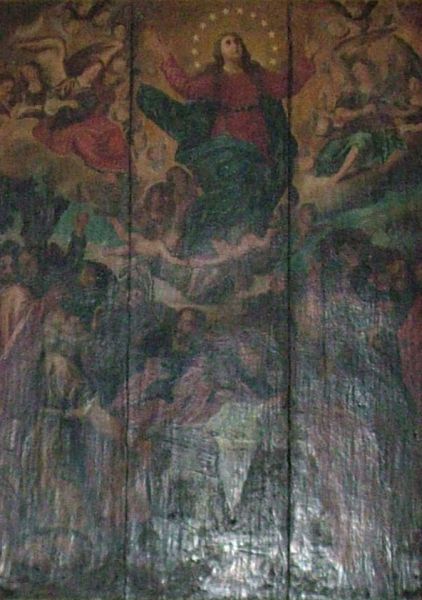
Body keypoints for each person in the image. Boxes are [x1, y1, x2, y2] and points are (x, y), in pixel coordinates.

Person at [138, 30, 316, 255]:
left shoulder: (256, 75)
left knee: (253, 189)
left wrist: (306, 60)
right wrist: (165, 56)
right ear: (220, 51)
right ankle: (202, 234)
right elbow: (187, 88)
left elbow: (283, 86)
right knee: (232, 187)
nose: (235, 46)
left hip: (258, 138)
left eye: (237, 41)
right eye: (228, 43)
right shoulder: (216, 79)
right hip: (228, 140)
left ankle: (241, 238)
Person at [314, 59, 407, 183]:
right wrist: (362, 112)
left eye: (361, 69)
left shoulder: (380, 92)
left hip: (377, 135)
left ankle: (338, 177)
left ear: (369, 70)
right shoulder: (351, 93)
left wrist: (404, 117)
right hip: (351, 133)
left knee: (362, 140)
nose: (358, 72)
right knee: (326, 159)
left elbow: (392, 111)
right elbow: (340, 114)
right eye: (355, 70)